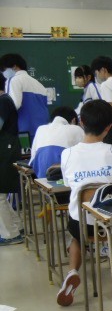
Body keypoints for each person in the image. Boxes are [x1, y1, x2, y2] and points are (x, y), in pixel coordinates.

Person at [57, 99, 112, 306]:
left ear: (81, 122)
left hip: (82, 224)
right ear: (109, 127)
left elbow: (67, 183)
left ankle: (72, 271)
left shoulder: (67, 154)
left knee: (76, 237)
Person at [0, 53, 48, 139]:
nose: (3, 73)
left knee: (22, 148)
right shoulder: (39, 84)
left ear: (14, 66)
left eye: (3, 69)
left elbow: (12, 105)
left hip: (23, 130)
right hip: (42, 131)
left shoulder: (14, 80)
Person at [0, 72, 23, 246]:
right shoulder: (5, 100)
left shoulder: (3, 101)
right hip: (7, 148)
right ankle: (16, 226)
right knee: (1, 194)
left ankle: (10, 235)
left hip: (6, 150)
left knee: (0, 194)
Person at [29, 106, 84, 178]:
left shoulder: (40, 129)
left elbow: (32, 160)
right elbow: (86, 155)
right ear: (73, 120)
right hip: (65, 178)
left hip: (40, 178)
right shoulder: (76, 129)